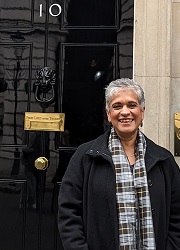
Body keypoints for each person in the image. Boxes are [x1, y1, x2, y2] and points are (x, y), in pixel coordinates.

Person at [57, 78, 180, 250]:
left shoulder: (164, 160)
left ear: (142, 111)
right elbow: (69, 213)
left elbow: (177, 216)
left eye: (132, 105)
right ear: (108, 114)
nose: (125, 112)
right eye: (117, 106)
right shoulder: (85, 157)